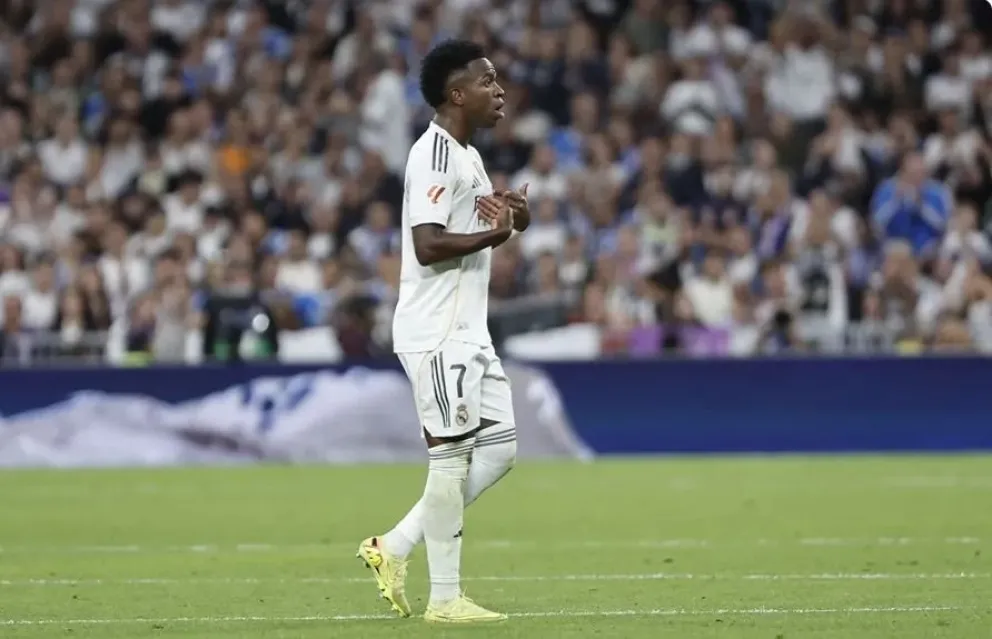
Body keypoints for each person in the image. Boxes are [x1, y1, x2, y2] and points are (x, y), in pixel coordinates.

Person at [356, 39, 530, 624]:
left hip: (469, 331)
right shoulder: (431, 155)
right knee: (452, 459)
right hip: (435, 332)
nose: (499, 90)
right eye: (487, 81)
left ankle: (394, 545)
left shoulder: (469, 157)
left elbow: (483, 223)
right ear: (457, 94)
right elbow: (428, 244)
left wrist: (514, 218)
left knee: (499, 451)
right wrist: (497, 236)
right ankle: (445, 599)